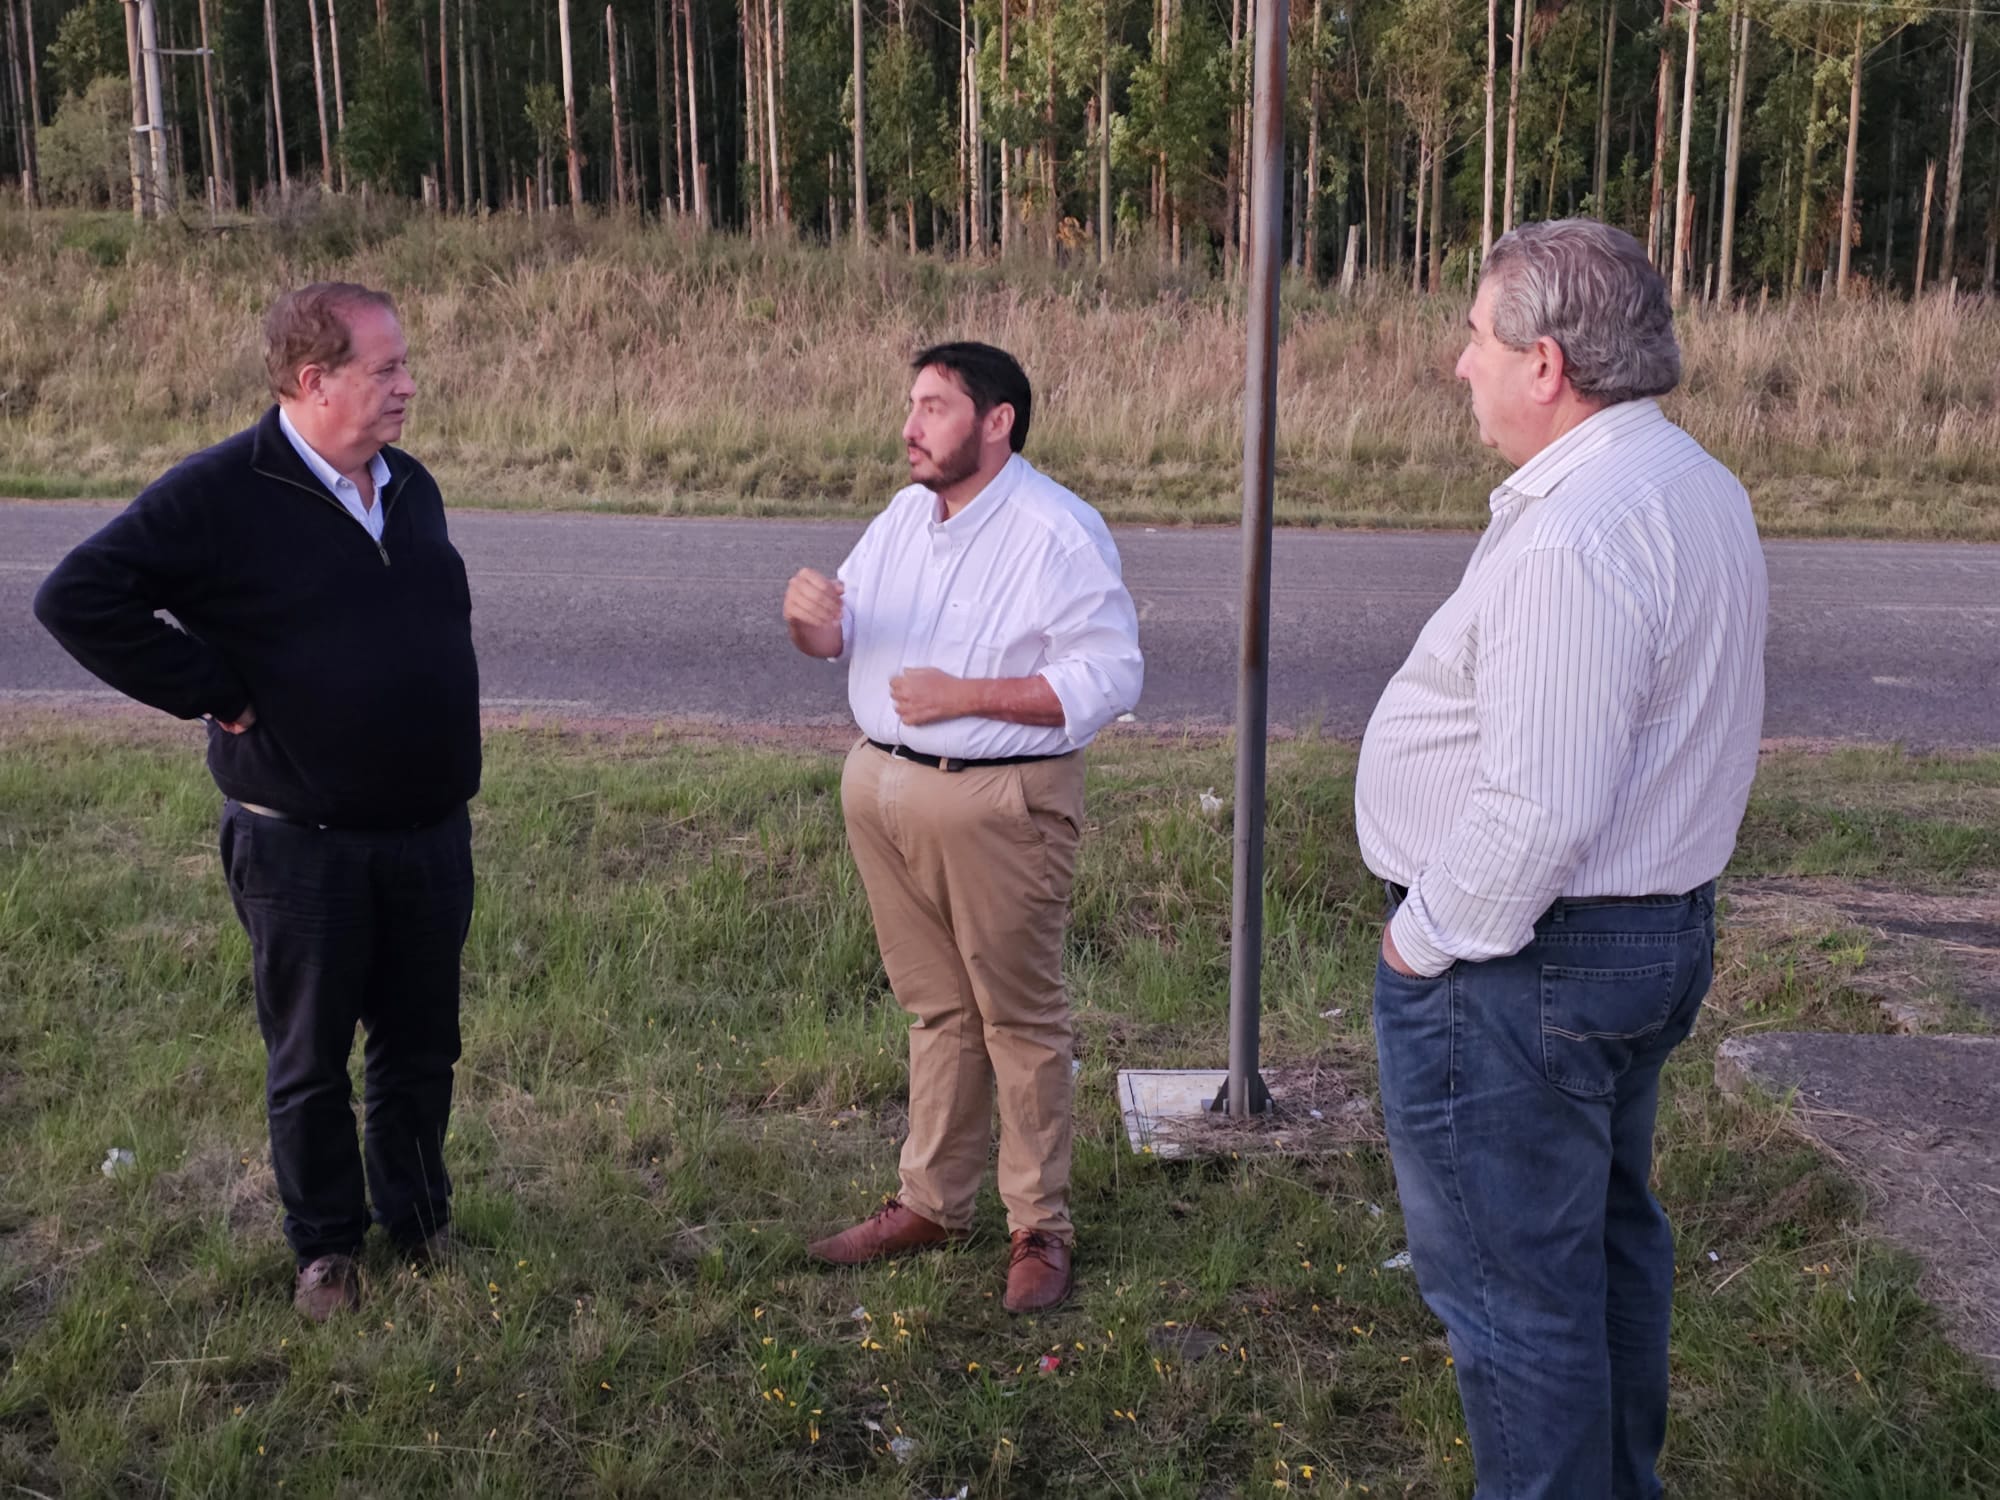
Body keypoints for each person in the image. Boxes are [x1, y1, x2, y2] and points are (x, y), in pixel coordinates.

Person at [1354, 219, 1768, 1499]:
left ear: (1545, 363)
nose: (1454, 362)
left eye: (1474, 335)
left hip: (1528, 962)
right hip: (1633, 942)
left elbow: (1536, 808)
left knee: (1513, 1301)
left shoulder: (1572, 536)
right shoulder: (1685, 481)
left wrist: (1417, 941)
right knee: (1597, 1255)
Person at [34, 283, 481, 1322]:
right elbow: (77, 597)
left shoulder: (407, 485)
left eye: (406, 365)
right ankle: (326, 1249)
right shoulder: (221, 493)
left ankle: (417, 1221)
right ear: (314, 379)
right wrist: (214, 689)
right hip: (301, 847)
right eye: (387, 369)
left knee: (421, 1047)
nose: (409, 385)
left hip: (427, 832)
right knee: (311, 1057)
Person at [782, 341, 1142, 1312]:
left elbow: (1108, 678)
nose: (909, 426)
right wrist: (809, 620)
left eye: (933, 406)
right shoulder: (904, 517)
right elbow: (839, 636)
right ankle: (932, 1201)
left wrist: (964, 695)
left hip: (997, 800)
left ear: (996, 422)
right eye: (910, 403)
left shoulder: (1056, 530)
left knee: (1018, 1020)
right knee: (935, 1010)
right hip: (883, 786)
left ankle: (1039, 1226)